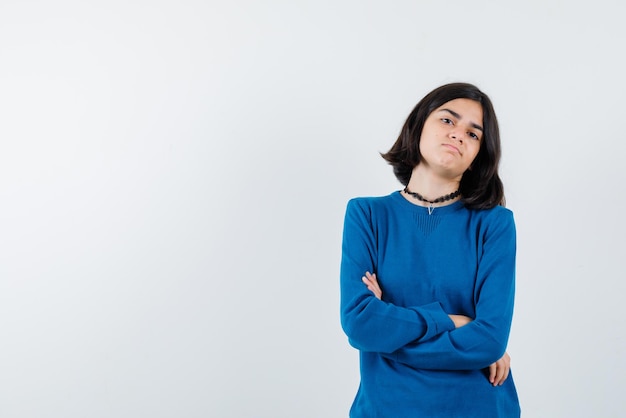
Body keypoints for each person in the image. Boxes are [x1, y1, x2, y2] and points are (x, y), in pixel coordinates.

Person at [339, 82, 521, 417]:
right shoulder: (367, 215)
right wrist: (455, 321)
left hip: (476, 407)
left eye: (473, 133)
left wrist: (388, 333)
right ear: (419, 124)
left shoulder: (495, 224)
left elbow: (490, 340)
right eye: (448, 121)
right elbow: (360, 322)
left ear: (480, 153)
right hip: (386, 407)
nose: (458, 135)